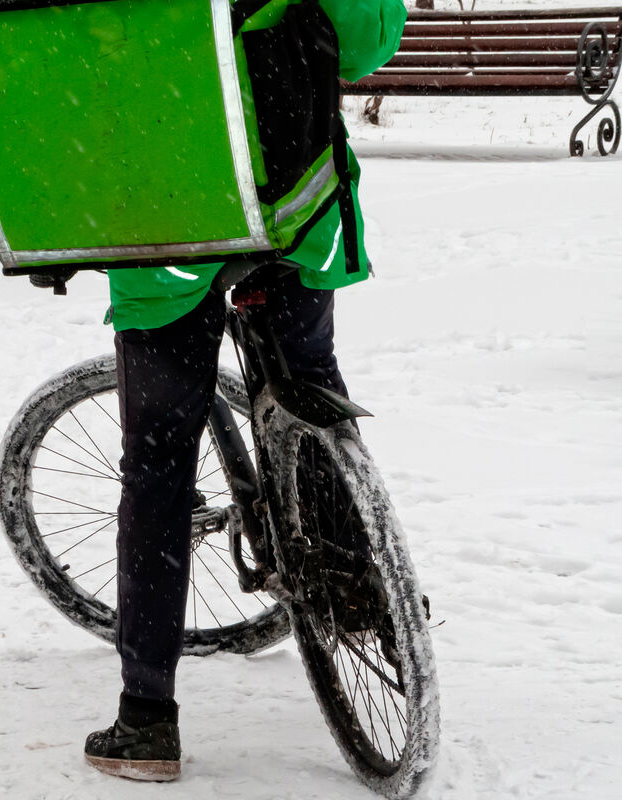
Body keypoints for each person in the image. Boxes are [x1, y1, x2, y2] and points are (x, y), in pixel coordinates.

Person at [83, 0, 408, 782]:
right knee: (309, 382)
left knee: (159, 468)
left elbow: (85, 64)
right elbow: (367, 44)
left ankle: (147, 720)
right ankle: (365, 590)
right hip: (296, 214)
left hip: (171, 224)